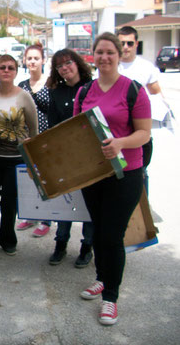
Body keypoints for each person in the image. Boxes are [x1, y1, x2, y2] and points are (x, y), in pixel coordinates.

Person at [75, 32, 151, 326]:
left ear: (119, 55)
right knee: (97, 232)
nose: (104, 57)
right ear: (92, 56)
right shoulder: (84, 92)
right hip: (94, 174)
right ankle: (101, 278)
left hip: (126, 174)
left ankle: (111, 297)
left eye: (110, 52)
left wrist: (119, 143)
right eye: (100, 52)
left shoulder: (134, 90)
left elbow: (144, 134)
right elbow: (78, 131)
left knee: (112, 236)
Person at [0, 55, 38, 257]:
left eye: (10, 67)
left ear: (16, 71)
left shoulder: (24, 96)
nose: (6, 70)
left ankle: (8, 240)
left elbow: (33, 128)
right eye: (2, 67)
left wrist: (32, 157)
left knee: (10, 202)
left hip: (15, 159)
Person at [46, 49, 94, 267]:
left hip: (91, 156)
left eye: (68, 63)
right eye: (60, 66)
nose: (65, 68)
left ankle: (87, 248)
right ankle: (61, 244)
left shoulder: (93, 87)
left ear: (77, 63)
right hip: (65, 157)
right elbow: (52, 126)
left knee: (89, 205)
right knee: (65, 204)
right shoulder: (56, 92)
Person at [116, 25, 163, 194]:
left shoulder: (146, 67)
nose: (126, 47)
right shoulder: (110, 67)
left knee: (141, 171)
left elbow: (157, 94)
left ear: (136, 44)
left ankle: (143, 215)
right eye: (122, 43)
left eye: (130, 43)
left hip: (139, 132)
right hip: (116, 133)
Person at [16, 44, 52, 237]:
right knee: (29, 178)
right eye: (29, 58)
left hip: (47, 139)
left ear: (43, 60)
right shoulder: (21, 86)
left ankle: (46, 219)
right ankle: (30, 216)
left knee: (46, 178)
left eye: (36, 58)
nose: (32, 62)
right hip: (27, 139)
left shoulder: (51, 83)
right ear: (24, 60)